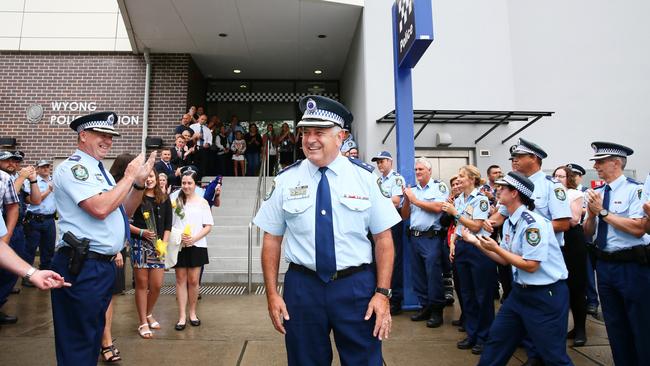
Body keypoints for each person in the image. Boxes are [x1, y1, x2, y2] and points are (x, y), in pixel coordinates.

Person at [254, 95, 399, 365]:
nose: (310, 139)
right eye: (305, 132)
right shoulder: (286, 179)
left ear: (341, 136)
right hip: (302, 288)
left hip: (356, 288)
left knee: (364, 360)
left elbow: (384, 240)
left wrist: (382, 294)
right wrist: (272, 294)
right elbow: (272, 240)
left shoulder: (365, 177)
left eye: (319, 132)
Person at [50, 111, 155, 365]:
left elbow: (123, 212)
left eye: (110, 136)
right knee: (79, 339)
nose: (108, 141)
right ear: (83, 135)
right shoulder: (75, 168)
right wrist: (129, 177)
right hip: (83, 264)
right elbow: (99, 209)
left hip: (101, 265)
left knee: (92, 334)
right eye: (101, 135)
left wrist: (138, 184)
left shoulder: (102, 172)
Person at [463, 171, 572, 366]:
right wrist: (475, 242)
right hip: (519, 294)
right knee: (496, 344)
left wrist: (495, 248)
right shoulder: (510, 223)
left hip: (545, 296)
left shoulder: (533, 224)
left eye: (503, 188)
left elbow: (530, 265)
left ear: (515, 193)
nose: (498, 190)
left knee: (553, 356)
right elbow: (504, 259)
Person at [582, 142, 650, 365]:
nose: (596, 166)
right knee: (615, 324)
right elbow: (587, 232)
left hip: (631, 265)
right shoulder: (597, 193)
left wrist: (602, 212)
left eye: (601, 162)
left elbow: (638, 228)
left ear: (616, 163)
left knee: (640, 325)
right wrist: (592, 215)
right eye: (596, 162)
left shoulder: (635, 190)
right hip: (605, 265)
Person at [442, 165, 494, 355]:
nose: (459, 180)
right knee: (466, 294)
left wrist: (455, 212)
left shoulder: (480, 199)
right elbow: (458, 226)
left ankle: (484, 337)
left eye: (463, 177)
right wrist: (454, 242)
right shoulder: (461, 199)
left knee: (482, 295)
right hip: (462, 247)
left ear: (472, 179)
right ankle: (472, 334)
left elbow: (476, 224)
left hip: (478, 248)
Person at [400, 157, 449, 328]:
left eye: (421, 169)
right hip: (415, 237)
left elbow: (438, 208)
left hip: (431, 237)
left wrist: (414, 200)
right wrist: (407, 199)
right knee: (419, 275)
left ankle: (437, 310)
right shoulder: (412, 190)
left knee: (433, 275)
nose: (417, 172)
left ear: (429, 171)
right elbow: (405, 216)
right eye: (416, 170)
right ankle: (425, 307)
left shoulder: (439, 187)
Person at [129, 169, 172, 339]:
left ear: (156, 177)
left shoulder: (164, 199)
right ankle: (142, 322)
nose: (149, 180)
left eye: (151, 176)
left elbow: (168, 224)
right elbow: (125, 220)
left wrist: (164, 245)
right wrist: (141, 232)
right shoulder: (135, 197)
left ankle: (148, 313)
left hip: (158, 246)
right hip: (140, 243)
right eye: (145, 178)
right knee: (142, 284)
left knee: (156, 285)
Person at [172, 170, 213, 331]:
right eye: (184, 183)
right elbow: (170, 224)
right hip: (180, 245)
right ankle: (182, 316)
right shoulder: (176, 201)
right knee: (181, 280)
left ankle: (192, 313)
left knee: (194, 281)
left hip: (197, 244)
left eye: (189, 183)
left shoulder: (202, 202)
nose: (186, 186)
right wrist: (179, 236)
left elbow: (208, 226)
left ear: (195, 185)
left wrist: (194, 238)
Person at [552, 165, 588, 346]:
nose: (558, 179)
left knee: (576, 286)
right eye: (556, 176)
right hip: (556, 240)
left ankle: (580, 329)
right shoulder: (552, 194)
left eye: (562, 176)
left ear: (569, 179)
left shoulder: (574, 194)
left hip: (573, 240)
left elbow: (573, 219)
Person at [371, 151, 404, 315]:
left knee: (394, 261)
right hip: (378, 220)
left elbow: (397, 200)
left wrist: (376, 200)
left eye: (382, 161)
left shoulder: (396, 179)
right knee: (377, 259)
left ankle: (395, 300)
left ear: (390, 162)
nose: (379, 165)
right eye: (377, 162)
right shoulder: (378, 180)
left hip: (392, 220)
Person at [0, 215, 70, 290]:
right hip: (34, 219)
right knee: (29, 251)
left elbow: (1, 247)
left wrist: (33, 274)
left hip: (48, 219)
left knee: (48, 251)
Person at [567, 162, 600, 317]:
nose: (571, 178)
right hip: (570, 236)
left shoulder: (587, 192)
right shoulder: (563, 192)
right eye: (569, 175)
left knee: (587, 270)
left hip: (584, 233)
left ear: (580, 177)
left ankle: (592, 301)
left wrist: (579, 209)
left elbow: (590, 210)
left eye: (573, 175)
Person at [23, 160, 56, 274]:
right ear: (37, 169)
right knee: (30, 249)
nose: (46, 169)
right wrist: (48, 190)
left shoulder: (54, 181)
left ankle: (46, 273)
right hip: (34, 220)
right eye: (42, 167)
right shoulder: (32, 182)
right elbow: (34, 201)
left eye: (47, 166)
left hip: (50, 220)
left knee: (48, 249)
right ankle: (27, 276)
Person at [0, 153, 20, 325]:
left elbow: (13, 206)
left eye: (14, 161)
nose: (12, 163)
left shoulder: (4, 178)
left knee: (8, 272)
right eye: (7, 160)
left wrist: (6, 236)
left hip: (4, 231)